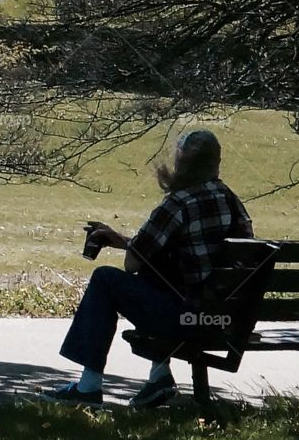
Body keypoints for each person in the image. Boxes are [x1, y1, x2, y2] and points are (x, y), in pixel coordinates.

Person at [47, 128, 254, 408]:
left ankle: (88, 387)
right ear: (217, 162)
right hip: (225, 322)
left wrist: (131, 250)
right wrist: (122, 241)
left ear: (181, 161)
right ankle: (158, 378)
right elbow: (204, 251)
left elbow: (132, 265)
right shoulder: (230, 200)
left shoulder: (178, 203)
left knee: (105, 279)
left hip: (186, 321)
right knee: (163, 269)